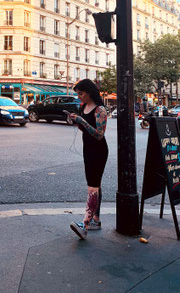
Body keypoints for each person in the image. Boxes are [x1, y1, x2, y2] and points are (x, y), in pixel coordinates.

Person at [69, 79, 109, 240]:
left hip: (98, 151)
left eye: (81, 94)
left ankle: (85, 225)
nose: (79, 97)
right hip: (88, 149)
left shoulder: (100, 110)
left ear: (89, 92)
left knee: (92, 187)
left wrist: (81, 121)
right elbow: (84, 129)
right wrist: (77, 121)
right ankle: (96, 220)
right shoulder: (83, 107)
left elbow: (99, 135)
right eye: (77, 94)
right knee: (95, 185)